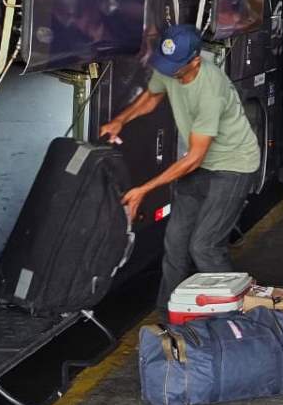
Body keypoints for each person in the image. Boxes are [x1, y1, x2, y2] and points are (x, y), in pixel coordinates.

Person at [99, 25, 260, 312]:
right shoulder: (171, 66)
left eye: (174, 67)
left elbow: (194, 158)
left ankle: (233, 318)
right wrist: (120, 120)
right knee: (175, 243)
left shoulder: (210, 89)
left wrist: (144, 190)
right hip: (200, 165)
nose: (167, 71)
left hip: (233, 166)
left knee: (205, 245)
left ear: (195, 60)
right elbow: (151, 97)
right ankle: (169, 315)